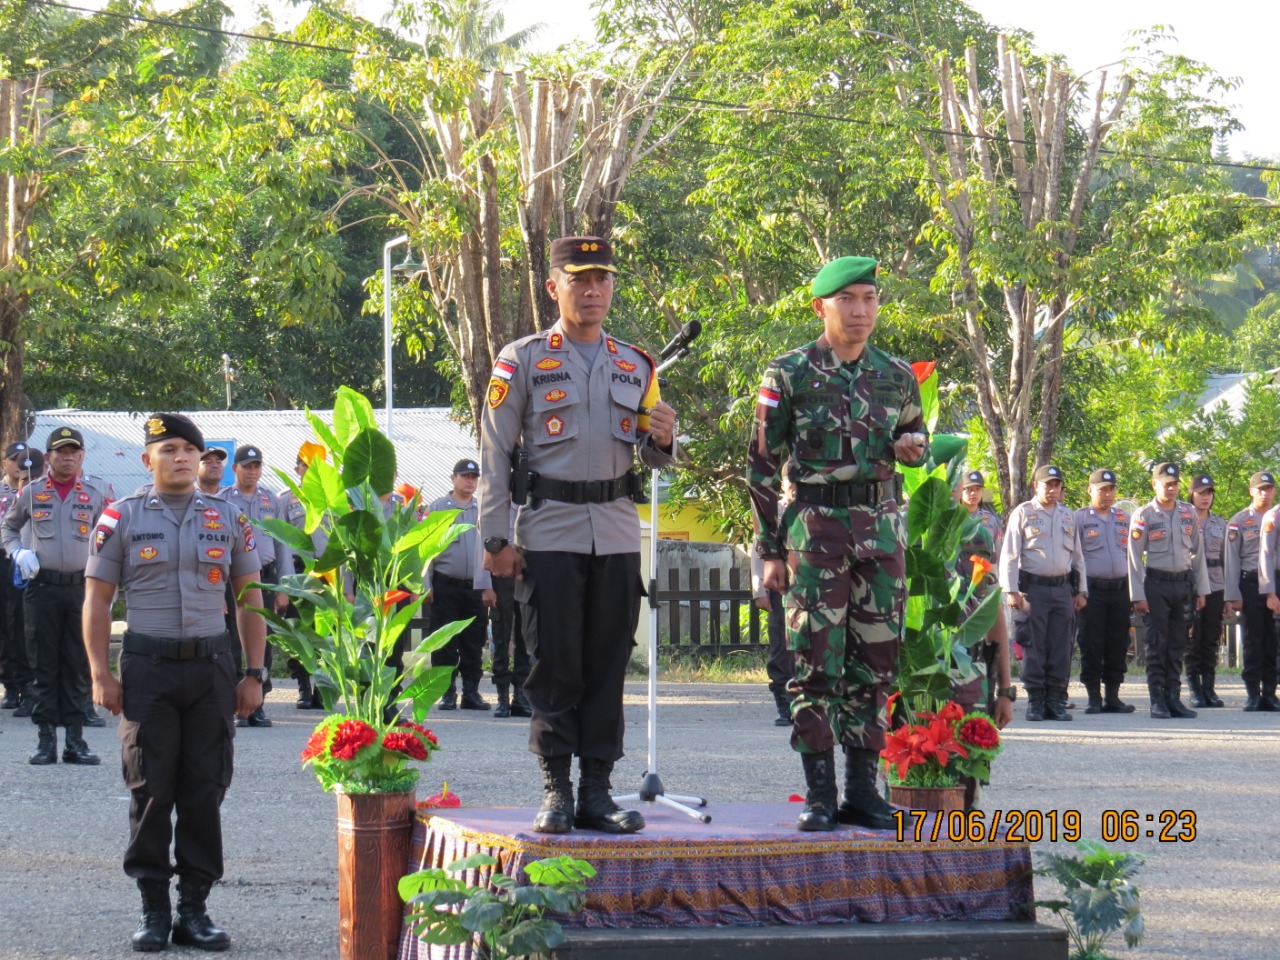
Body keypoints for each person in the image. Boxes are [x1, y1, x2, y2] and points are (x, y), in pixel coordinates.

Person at [479, 235, 676, 835]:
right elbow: (493, 449)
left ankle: (597, 791)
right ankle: (556, 790)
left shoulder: (635, 364)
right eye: (579, 279)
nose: (592, 291)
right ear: (554, 287)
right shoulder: (523, 359)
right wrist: (494, 538)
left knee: (608, 663)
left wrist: (665, 438)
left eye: (603, 280)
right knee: (555, 662)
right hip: (549, 531)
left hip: (616, 532)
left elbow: (655, 456)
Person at [748, 254, 928, 833]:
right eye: (847, 299)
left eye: (869, 298)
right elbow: (760, 465)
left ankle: (862, 791)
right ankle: (820, 794)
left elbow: (912, 434)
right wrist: (770, 551)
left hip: (880, 531)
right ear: (820, 306)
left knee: (877, 665)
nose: (860, 311)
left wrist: (912, 448)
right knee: (814, 663)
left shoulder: (898, 375)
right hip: (815, 532)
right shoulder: (789, 374)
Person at [84, 413, 265, 952]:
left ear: (204, 459)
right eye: (169, 449)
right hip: (148, 668)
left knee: (205, 789)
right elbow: (95, 599)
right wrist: (100, 673)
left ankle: (195, 909)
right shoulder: (119, 518)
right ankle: (154, 910)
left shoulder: (229, 518)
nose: (181, 456)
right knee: (150, 788)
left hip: (211, 669)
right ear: (148, 459)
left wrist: (254, 673)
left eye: (190, 448)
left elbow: (249, 598)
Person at [1, 427, 112, 766]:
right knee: (43, 664)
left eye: (73, 452)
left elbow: (108, 536)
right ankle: (46, 740)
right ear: (48, 457)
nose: (67, 457)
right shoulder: (32, 492)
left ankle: (76, 740)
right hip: (42, 588)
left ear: (81, 456)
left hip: (82, 589)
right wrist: (18, 552)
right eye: (60, 452)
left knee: (78, 662)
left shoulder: (94, 493)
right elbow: (7, 527)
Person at [998, 464, 1087, 723]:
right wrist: (1011, 590)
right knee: (1034, 645)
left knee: (1061, 646)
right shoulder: (1023, 513)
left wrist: (1081, 590)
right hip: (1032, 591)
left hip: (1062, 590)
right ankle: (1035, 700)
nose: (1052, 489)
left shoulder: (1068, 516)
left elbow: (1077, 557)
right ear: (1036, 486)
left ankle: (1055, 699)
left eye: (1056, 485)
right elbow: (1010, 554)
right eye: (1047, 484)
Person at [1128, 462, 1209, 719]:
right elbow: (1133, 557)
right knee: (1156, 643)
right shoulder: (1144, 515)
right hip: (1156, 586)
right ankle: (1157, 700)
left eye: (1175, 484)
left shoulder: (1188, 513)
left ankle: (1173, 697)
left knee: (1177, 644)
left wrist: (1201, 589)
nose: (1171, 488)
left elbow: (1198, 552)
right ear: (1154, 485)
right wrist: (1137, 595)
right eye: (1166, 484)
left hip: (1183, 585)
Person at [424, 458, 496, 712]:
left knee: (473, 641)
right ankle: (446, 693)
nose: (470, 481)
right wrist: (426, 585)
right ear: (453, 478)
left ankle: (471, 692)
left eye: (474, 477)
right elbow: (426, 549)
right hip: (445, 584)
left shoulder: (484, 508)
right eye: (465, 476)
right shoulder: (438, 508)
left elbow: (489, 549)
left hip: (475, 586)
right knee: (444, 641)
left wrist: (488, 585)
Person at [221, 444, 283, 728]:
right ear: (235, 469)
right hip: (234, 579)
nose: (252, 471)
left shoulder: (271, 499)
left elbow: (283, 544)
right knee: (234, 639)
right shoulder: (223, 500)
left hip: (266, 576)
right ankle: (236, 701)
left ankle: (259, 701)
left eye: (257, 466)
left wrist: (284, 586)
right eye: (247, 466)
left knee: (263, 640)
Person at [954, 471, 1015, 726]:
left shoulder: (981, 535)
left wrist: (1005, 690)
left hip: (972, 670)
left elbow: (992, 612)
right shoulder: (914, 536)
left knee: (972, 753)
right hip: (922, 674)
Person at [1074, 469, 1135, 714]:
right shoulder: (1079, 518)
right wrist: (1077, 590)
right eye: (1102, 489)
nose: (1108, 494)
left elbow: (1132, 555)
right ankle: (1093, 697)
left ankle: (1113, 696)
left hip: (1120, 590)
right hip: (1092, 591)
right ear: (1090, 490)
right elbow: (1074, 557)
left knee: (1118, 643)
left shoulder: (1123, 518)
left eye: (1111, 489)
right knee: (1091, 643)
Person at [277, 442, 327, 709]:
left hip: (327, 573)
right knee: (298, 631)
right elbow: (281, 543)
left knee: (325, 631)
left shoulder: (334, 497)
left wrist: (348, 587)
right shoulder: (285, 499)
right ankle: (303, 687)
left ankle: (323, 687)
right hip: (297, 571)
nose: (312, 470)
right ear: (297, 468)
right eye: (307, 465)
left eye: (317, 465)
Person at [1229, 472, 1277, 711]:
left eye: (1268, 488)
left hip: (1275, 585)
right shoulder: (1239, 521)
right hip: (1249, 585)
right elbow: (1232, 560)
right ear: (1251, 491)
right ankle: (1252, 694)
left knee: (1272, 641)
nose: (1264, 493)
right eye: (1260, 488)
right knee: (1252, 640)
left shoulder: (1277, 517)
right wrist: (1233, 594)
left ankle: (1269, 692)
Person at [0, 441, 38, 713]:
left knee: (24, 623)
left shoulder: (36, 490)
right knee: (5, 624)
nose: (19, 465)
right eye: (14, 459)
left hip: (28, 560)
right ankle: (10, 685)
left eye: (23, 460)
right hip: (4, 558)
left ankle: (28, 686)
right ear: (4, 463)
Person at [1187, 474, 1227, 709]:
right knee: (1193, 637)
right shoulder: (1184, 519)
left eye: (1209, 493)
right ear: (1192, 495)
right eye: (1201, 493)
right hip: (1191, 584)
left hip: (1215, 583)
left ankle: (1209, 687)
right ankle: (1194, 687)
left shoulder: (1219, 523)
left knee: (1211, 637)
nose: (1205, 497)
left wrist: (1230, 595)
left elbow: (1227, 559)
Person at [489, 501, 532, 719]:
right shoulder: (497, 508)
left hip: (525, 576)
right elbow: (484, 548)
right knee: (501, 637)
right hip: (500, 578)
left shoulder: (533, 503)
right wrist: (484, 586)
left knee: (524, 637)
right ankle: (502, 697)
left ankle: (521, 696)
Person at [1254, 478, 1280, 711]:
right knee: (1271, 641)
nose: (1266, 492)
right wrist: (1270, 591)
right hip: (1277, 580)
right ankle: (1265, 693)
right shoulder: (1274, 516)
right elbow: (1265, 554)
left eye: (1269, 488)